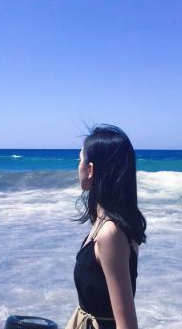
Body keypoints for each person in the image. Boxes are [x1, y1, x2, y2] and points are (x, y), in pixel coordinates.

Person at [66, 124, 147, 329]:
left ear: (90, 170)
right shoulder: (103, 225)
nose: (78, 166)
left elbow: (126, 324)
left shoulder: (111, 234)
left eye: (80, 160)